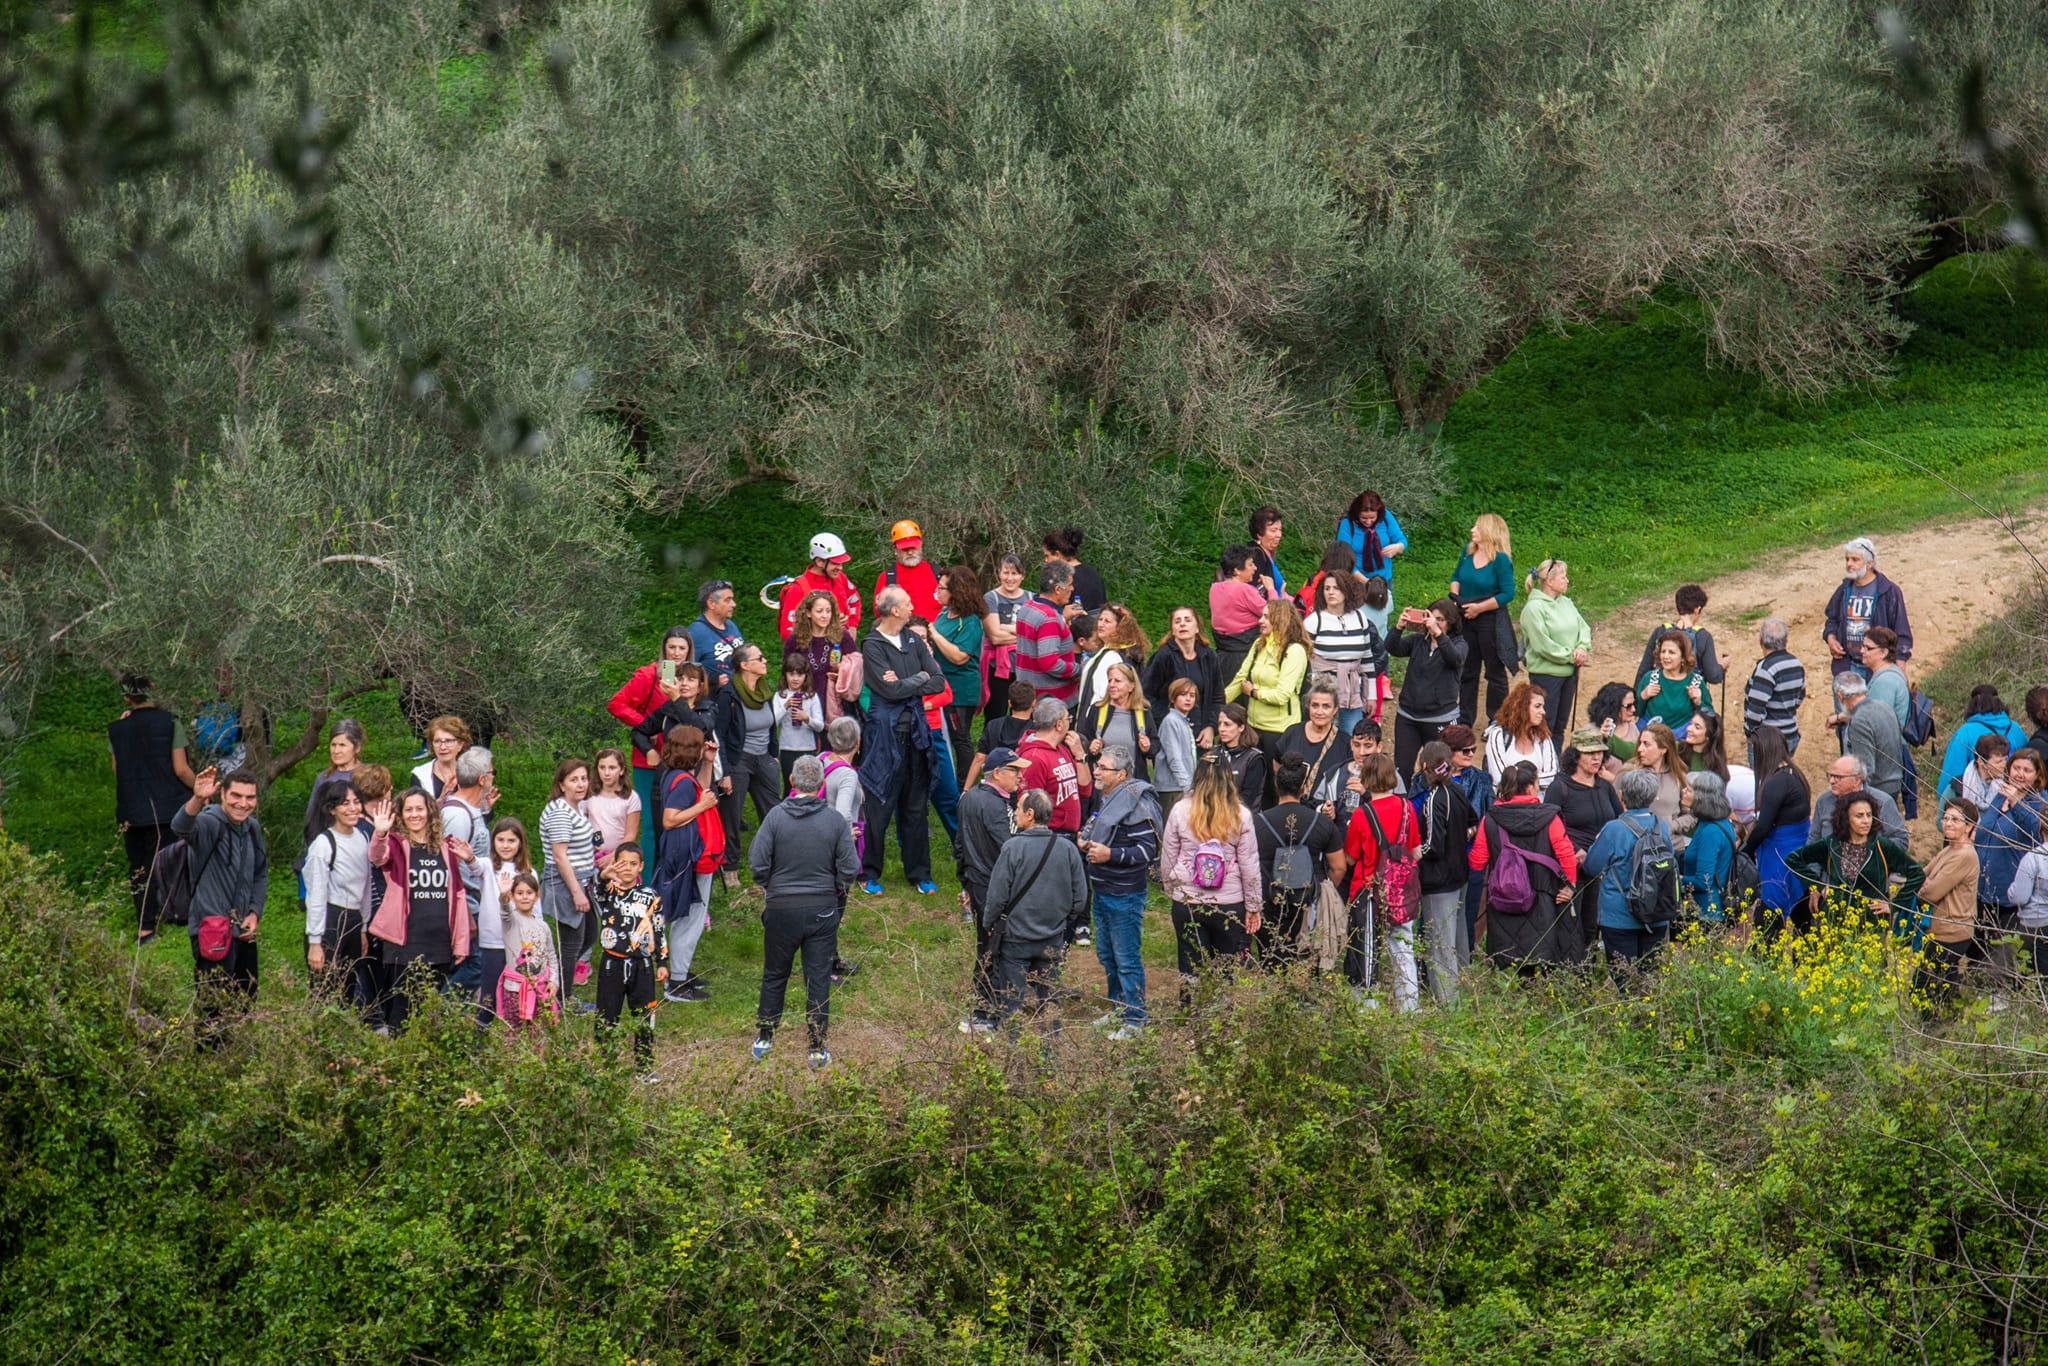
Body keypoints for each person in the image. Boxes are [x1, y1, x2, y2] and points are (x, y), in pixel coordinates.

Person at [749, 755, 860, 1068]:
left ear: (792, 782)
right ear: (823, 784)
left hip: (781, 907)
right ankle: (816, 1047)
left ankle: (764, 1037)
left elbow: (757, 862)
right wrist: (834, 887)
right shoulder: (836, 821)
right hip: (822, 908)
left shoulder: (775, 817)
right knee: (818, 977)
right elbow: (850, 867)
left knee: (774, 973)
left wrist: (772, 887)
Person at [857, 586, 950, 895]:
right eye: (908, 604)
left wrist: (913, 681)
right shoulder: (871, 645)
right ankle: (869, 873)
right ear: (894, 611)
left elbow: (937, 678)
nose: (912, 607)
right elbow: (889, 692)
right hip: (885, 736)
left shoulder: (912, 638)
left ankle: (919, 873)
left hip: (916, 733)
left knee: (915, 806)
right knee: (879, 805)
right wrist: (919, 680)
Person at [367, 786, 475, 1033]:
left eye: (420, 808)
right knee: (401, 1011)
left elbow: (458, 897)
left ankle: (422, 1066)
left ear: (430, 811)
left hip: (439, 944)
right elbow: (377, 857)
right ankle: (396, 1064)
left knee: (427, 1010)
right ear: (401, 815)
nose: (415, 814)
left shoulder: (446, 849)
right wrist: (380, 833)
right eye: (408, 810)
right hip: (404, 943)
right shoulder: (396, 845)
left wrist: (460, 942)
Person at [171, 767, 267, 1043]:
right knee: (211, 1006)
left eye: (250, 797)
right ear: (222, 794)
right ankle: (207, 1069)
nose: (243, 803)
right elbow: (181, 827)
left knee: (245, 1000)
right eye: (236, 795)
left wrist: (254, 911)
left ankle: (235, 1064)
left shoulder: (252, 829)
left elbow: (260, 872)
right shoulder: (210, 822)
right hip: (211, 929)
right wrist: (197, 799)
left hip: (243, 930)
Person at [981, 790, 1091, 1031]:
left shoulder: (1012, 848)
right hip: (1052, 938)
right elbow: (1080, 898)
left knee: (1011, 1003)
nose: (1015, 812)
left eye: (1019, 808)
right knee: (1050, 1003)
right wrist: (1061, 922)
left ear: (1030, 814)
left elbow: (997, 896)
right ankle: (1049, 1058)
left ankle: (1015, 1058)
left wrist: (989, 924)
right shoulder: (1068, 848)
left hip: (1015, 939)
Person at [1079, 744, 1160, 1037]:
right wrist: (1088, 842)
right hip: (1102, 891)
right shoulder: (1109, 798)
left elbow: (1146, 851)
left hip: (1124, 895)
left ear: (1122, 773)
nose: (1096, 771)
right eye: (1097, 765)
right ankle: (1118, 1010)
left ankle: (1135, 1020)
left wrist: (1110, 855)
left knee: (1126, 959)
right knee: (1108, 955)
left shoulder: (1136, 805)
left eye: (1103, 768)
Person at [1162, 756, 1263, 992]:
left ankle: (1191, 1017)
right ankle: (1221, 1021)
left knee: (1190, 966)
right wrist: (1253, 905)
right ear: (1229, 778)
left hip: (1188, 901)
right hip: (1229, 902)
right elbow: (1249, 865)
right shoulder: (1241, 814)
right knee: (1226, 968)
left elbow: (1168, 855)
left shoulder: (1180, 810)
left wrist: (1172, 889)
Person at [109, 673, 196, 941]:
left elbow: (117, 769)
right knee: (170, 862)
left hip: (131, 808)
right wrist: (202, 791)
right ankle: (179, 913)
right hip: (167, 805)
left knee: (139, 868)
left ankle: (145, 927)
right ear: (153, 690)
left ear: (127, 698)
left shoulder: (117, 729)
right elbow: (181, 768)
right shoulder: (170, 722)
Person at [1468, 760, 1579, 970]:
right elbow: (1565, 853)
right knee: (1541, 958)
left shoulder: (1490, 819)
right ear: (1530, 787)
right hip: (1544, 897)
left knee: (1507, 960)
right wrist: (1569, 885)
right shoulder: (1549, 818)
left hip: (1503, 898)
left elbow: (1477, 861)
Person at [606, 627, 694, 863]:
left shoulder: (691, 676)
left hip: (682, 760)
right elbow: (617, 703)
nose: (676, 653)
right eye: (672, 648)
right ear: (664, 649)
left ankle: (671, 874)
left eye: (681, 648)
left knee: (678, 820)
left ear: (689, 650)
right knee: (652, 824)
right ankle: (646, 879)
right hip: (650, 758)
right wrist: (646, 726)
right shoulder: (650, 674)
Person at [955, 746, 1027, 1033]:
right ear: (997, 773)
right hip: (994, 888)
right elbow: (1009, 849)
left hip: (976, 883)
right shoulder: (997, 806)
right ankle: (988, 1015)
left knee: (984, 948)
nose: (1020, 777)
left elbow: (959, 846)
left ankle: (981, 1011)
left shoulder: (968, 798)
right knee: (995, 951)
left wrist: (964, 883)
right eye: (1015, 771)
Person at [1344, 752, 1423, 1008]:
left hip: (1367, 889)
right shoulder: (1406, 807)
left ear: (1366, 779)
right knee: (1403, 949)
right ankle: (1409, 1007)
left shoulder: (1360, 814)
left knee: (1366, 950)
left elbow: (1350, 857)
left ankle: (1368, 1008)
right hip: (1400, 889)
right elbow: (1416, 852)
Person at [1255, 754, 1347, 969]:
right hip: (1309, 902)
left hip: (1270, 902)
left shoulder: (1258, 823)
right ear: (1304, 788)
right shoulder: (1322, 823)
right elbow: (1339, 867)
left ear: (1277, 784)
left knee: (1272, 964)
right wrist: (1326, 889)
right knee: (1308, 963)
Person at [1787, 791, 1924, 934]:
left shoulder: (1882, 846)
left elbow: (1916, 873)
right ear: (1846, 818)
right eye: (1859, 816)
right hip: (1836, 923)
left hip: (1870, 926)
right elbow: (1793, 859)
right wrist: (1819, 886)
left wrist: (1894, 905)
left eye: (1869, 815)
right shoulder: (1833, 844)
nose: (1866, 821)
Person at [1580, 769, 1673, 971]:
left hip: (1619, 917)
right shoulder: (1661, 826)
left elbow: (1591, 867)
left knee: (1625, 980)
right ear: (1652, 796)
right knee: (1650, 978)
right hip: (1656, 913)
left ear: (1621, 796)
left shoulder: (1614, 828)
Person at [711, 642, 786, 884]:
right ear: (744, 665)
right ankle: (729, 865)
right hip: (738, 759)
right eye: (760, 658)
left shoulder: (764, 691)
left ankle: (776, 861)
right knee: (732, 814)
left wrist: (773, 754)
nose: (765, 661)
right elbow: (719, 733)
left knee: (774, 811)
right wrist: (725, 771)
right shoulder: (729, 694)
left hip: (764, 758)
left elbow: (771, 724)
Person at [589, 845, 667, 1078]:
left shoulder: (650, 896)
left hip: (641, 965)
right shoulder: (609, 890)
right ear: (615, 864)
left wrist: (662, 962)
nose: (628, 869)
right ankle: (604, 1066)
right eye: (623, 863)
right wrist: (604, 876)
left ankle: (644, 1066)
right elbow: (597, 890)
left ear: (641, 866)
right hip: (612, 963)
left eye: (634, 864)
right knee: (607, 1014)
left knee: (645, 1015)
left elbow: (659, 928)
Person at [302, 778, 374, 1020]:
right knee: (325, 989)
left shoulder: (363, 839)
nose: (353, 808)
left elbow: (365, 887)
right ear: (332, 809)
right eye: (345, 803)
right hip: (330, 920)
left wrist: (363, 927)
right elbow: (316, 895)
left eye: (356, 802)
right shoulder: (323, 844)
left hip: (354, 919)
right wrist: (315, 941)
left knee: (348, 989)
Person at [1410, 742, 1477, 1001]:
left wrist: (1414, 853)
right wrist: (1459, 838)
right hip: (1460, 875)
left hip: (1439, 882)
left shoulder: (1433, 799)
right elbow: (1473, 822)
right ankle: (1467, 997)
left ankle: (1448, 1007)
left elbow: (1432, 846)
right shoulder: (1457, 790)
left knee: (1440, 946)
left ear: (1424, 766)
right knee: (1459, 944)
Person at [1975, 747, 2045, 982]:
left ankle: (2007, 998)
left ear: (2038, 775)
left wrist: (2016, 803)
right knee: (1984, 946)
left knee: (2006, 954)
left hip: (2011, 893)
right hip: (1985, 889)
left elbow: (2037, 833)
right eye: (2016, 768)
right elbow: (1985, 832)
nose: (2020, 774)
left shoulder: (2039, 803)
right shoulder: (2000, 794)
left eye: (2027, 770)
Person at [1545, 727, 1623, 941]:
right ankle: (1569, 972)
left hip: (1601, 869)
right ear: (1575, 755)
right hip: (1572, 870)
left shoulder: (1604, 787)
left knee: (1592, 925)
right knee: (1569, 926)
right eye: (1590, 753)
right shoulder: (1560, 787)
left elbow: (1620, 819)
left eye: (1599, 752)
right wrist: (1573, 851)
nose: (1596, 757)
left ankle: (1587, 972)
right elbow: (1550, 827)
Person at [538, 758, 600, 1006]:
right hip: (567, 884)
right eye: (573, 780)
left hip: (583, 880)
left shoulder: (575, 807)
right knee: (571, 943)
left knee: (588, 935)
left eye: (584, 778)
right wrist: (576, 892)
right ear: (561, 784)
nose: (580, 784)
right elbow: (559, 855)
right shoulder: (560, 812)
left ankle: (561, 991)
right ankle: (561, 998)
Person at [437, 745, 496, 999]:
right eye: (492, 773)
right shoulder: (456, 816)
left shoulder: (471, 811)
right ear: (482, 779)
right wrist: (465, 915)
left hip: (474, 903)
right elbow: (450, 867)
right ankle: (440, 1015)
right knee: (475, 966)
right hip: (465, 906)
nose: (494, 778)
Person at [1388, 598, 1467, 780]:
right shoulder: (1418, 641)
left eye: (1440, 619)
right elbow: (1392, 648)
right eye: (1432, 617)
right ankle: (1406, 806)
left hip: (1440, 718)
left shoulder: (1459, 644)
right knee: (1402, 770)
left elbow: (1454, 658)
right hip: (1408, 717)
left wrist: (1439, 635)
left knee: (1439, 770)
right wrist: (1399, 627)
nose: (1434, 622)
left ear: (1451, 623)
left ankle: (1435, 806)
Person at [1450, 513, 1517, 725]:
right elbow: (1455, 578)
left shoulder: (1501, 560)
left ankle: (1497, 719)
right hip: (1466, 615)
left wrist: (1479, 608)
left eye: (1477, 527)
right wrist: (1455, 599)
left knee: (1494, 672)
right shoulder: (1467, 552)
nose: (1472, 530)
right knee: (1467, 669)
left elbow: (1508, 593)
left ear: (1489, 531)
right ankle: (1465, 719)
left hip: (1490, 618)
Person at [1225, 598, 1310, 764]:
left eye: (1266, 617)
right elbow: (1240, 679)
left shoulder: (1294, 651)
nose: (1260, 621)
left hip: (1280, 731)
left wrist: (1253, 692)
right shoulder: (1259, 644)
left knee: (1274, 785)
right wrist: (1218, 706)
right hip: (1253, 727)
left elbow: (1282, 695)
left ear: (1279, 619)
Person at [1302, 569, 1384, 737]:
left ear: (1346, 590)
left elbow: (1367, 659)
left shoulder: (1360, 618)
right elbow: (1302, 659)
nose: (1331, 592)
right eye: (1327, 588)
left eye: (1336, 588)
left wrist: (1371, 696)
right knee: (1322, 737)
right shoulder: (1313, 621)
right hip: (1323, 691)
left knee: (1351, 737)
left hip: (1352, 690)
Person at [1743, 726, 1811, 927]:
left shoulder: (1777, 782)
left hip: (1780, 856)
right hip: (1795, 851)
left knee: (1769, 915)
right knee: (1802, 918)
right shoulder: (1794, 775)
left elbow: (1763, 827)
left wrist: (1745, 851)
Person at [1919, 798, 1982, 1004]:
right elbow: (1920, 876)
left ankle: (1935, 1030)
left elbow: (1930, 893)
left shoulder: (1964, 855)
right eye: (1946, 818)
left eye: (1955, 820)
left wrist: (1925, 884)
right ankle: (1950, 1026)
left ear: (1969, 826)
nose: (1948, 823)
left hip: (1951, 933)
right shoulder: (1949, 849)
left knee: (1923, 990)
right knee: (1944, 988)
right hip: (1941, 930)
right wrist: (1924, 882)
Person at [1822, 536, 1912, 680]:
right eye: (1847, 559)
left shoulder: (1888, 591)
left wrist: (1899, 667)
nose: (1849, 564)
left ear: (1869, 564)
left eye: (1855, 559)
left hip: (1877, 670)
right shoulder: (1844, 590)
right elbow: (1832, 620)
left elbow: (1902, 633)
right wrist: (1831, 638)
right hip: (1847, 667)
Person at [1519, 559, 1591, 734]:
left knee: (1560, 726)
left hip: (1569, 673)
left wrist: (1582, 647)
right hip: (1546, 676)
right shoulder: (1533, 608)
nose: (1567, 581)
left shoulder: (1566, 602)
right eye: (1563, 577)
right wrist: (1570, 656)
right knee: (1545, 725)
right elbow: (1541, 645)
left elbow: (1584, 627)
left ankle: (1556, 761)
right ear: (1549, 582)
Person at [475, 816, 534, 1026]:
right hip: (492, 943)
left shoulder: (528, 873)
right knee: (489, 996)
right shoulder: (488, 866)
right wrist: (466, 857)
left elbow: (536, 914)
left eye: (511, 840)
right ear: (493, 842)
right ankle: (479, 1038)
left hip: (519, 947)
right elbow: (473, 866)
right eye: (500, 840)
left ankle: (514, 1041)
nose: (506, 845)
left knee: (519, 995)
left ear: (520, 843)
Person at [929, 564, 986, 780]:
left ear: (956, 592)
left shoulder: (970, 622)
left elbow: (960, 656)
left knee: (960, 737)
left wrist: (934, 635)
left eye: (942, 588)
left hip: (961, 691)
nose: (938, 591)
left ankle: (964, 784)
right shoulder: (944, 614)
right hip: (941, 687)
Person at [1442, 724, 1495, 947]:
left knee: (1468, 916)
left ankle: (1465, 962)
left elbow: (1491, 815)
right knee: (1438, 918)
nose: (1471, 754)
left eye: (1473, 749)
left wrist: (1472, 831)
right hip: (1440, 859)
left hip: (1471, 857)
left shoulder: (1481, 779)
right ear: (1448, 751)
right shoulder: (1427, 778)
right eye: (1465, 750)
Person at [1142, 606, 1224, 745]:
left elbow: (1218, 697)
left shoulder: (1208, 656)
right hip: (1171, 733)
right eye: (1177, 621)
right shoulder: (1163, 657)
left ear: (1197, 628)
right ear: (1173, 630)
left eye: (1187, 620)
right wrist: (1168, 722)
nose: (1182, 624)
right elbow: (1146, 695)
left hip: (1201, 734)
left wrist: (1211, 727)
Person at [1937, 684, 2030, 806]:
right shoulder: (2015, 729)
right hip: (2012, 802)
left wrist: (1944, 803)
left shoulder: (1966, 732)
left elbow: (1951, 775)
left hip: (1974, 804)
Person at [496, 871, 559, 1048]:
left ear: (537, 896)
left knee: (537, 1032)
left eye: (529, 893)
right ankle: (510, 1069)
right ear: (513, 896)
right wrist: (503, 895)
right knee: (512, 1031)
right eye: (520, 893)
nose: (525, 897)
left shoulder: (543, 926)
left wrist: (553, 981)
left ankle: (536, 1070)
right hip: (514, 989)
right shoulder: (511, 921)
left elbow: (551, 956)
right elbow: (505, 911)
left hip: (539, 988)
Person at [783, 590, 861, 724]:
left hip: (835, 702)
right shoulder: (794, 640)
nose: (825, 616)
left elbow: (856, 669)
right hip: (805, 701)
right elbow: (786, 672)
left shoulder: (843, 637)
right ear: (808, 613)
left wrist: (841, 670)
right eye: (819, 611)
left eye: (828, 611)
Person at [1077, 663, 1158, 783]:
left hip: (1134, 783)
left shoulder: (1142, 712)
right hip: (1103, 785)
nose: (1112, 685)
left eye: (1117, 681)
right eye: (1110, 680)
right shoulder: (1097, 710)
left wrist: (1147, 747)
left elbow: (1155, 745)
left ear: (1131, 686)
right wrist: (1091, 747)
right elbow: (1083, 740)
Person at [1013, 562, 1081, 703]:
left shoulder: (1027, 606)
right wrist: (1077, 669)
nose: (1072, 589)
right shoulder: (1049, 617)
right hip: (1052, 701)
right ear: (1058, 589)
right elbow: (1049, 663)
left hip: (1029, 696)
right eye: (1069, 585)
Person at [1633, 585, 1726, 687]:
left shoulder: (1660, 631)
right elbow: (1713, 676)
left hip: (1660, 694)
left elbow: (1644, 669)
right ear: (1697, 610)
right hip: (1690, 697)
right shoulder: (1703, 637)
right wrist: (1722, 666)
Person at [979, 554, 1033, 727]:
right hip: (997, 668)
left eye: (1015, 573)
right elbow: (994, 636)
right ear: (999, 573)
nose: (1010, 578)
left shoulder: (1031, 599)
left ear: (1022, 575)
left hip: (1024, 668)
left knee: (1023, 715)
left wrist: (1006, 628)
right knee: (996, 716)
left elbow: (1036, 634)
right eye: (1006, 573)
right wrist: (1023, 634)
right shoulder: (990, 598)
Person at [776, 532, 862, 640]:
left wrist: (852, 625)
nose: (840, 568)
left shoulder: (840, 578)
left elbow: (854, 600)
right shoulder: (798, 589)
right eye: (835, 563)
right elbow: (789, 632)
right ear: (820, 562)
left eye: (841, 563)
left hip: (841, 649)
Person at [1742, 616, 1806, 758]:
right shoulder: (1796, 663)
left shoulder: (1766, 669)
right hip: (1790, 735)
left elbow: (1755, 709)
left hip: (1768, 740)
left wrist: (1750, 733)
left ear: (1761, 641)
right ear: (1786, 641)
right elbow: (1799, 697)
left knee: (1764, 780)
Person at [1276, 679, 1348, 804]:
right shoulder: (1292, 732)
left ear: (1335, 709)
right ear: (1308, 706)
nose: (1319, 712)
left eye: (1326, 706)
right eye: (1315, 705)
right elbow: (1277, 766)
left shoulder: (1344, 743)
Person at [1833, 673, 1903, 801]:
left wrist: (1859, 802)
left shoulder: (1860, 720)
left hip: (1876, 791)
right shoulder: (1884, 707)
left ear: (1840, 696)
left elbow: (1865, 769)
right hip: (1894, 782)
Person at [1807, 754, 1906, 845]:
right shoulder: (1824, 802)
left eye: (1838, 777)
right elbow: (1813, 841)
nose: (1832, 781)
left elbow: (1900, 840)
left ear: (1857, 780)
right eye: (1830, 776)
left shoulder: (1882, 802)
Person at [1209, 544, 1270, 684]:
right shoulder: (1245, 590)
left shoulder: (1214, 588)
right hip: (1245, 657)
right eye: (1250, 564)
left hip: (1222, 657)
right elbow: (1275, 615)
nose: (1255, 568)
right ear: (1237, 570)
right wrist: (1271, 589)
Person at [1681, 771, 1737, 923]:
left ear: (1702, 797)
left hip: (1706, 912)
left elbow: (1703, 881)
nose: (1683, 792)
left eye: (1689, 790)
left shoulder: (1710, 832)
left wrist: (1676, 879)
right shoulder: (1717, 822)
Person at [1484, 681, 1558, 790]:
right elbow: (1499, 778)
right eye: (1537, 706)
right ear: (1522, 707)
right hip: (1506, 803)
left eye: (1543, 707)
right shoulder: (1499, 735)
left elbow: (1552, 776)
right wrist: (1533, 781)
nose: (1543, 712)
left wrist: (1516, 778)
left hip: (1538, 803)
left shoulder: (1543, 737)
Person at [1635, 630, 1713, 733]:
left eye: (1671, 652)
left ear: (1683, 657)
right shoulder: (1650, 678)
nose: (1666, 656)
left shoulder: (1695, 682)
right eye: (1663, 651)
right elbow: (1635, 712)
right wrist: (1643, 696)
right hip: (1650, 734)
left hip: (1682, 737)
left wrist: (1698, 702)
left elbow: (1710, 717)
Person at [2004, 820, 2048, 984]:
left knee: (2023, 974)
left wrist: (2010, 890)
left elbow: (2019, 896)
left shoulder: (2034, 858)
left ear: (2039, 826)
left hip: (2033, 926)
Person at [771, 659, 826, 788]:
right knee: (790, 785)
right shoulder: (780, 696)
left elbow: (820, 726)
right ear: (785, 675)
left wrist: (807, 718)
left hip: (808, 749)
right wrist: (785, 706)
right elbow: (773, 722)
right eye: (791, 674)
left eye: (799, 675)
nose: (795, 679)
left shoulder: (811, 696)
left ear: (805, 676)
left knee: (809, 785)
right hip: (787, 749)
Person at [1625, 722, 1690, 830]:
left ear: (1663, 749)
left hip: (1672, 844)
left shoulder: (1679, 775)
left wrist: (1673, 826)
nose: (1640, 749)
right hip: (1639, 843)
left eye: (1646, 744)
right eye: (1640, 743)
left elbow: (1690, 813)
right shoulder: (1629, 772)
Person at [874, 520, 941, 623]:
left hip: (938, 634)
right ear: (896, 550)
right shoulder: (887, 578)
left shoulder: (937, 572)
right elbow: (880, 613)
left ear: (920, 546)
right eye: (905, 549)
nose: (910, 552)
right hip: (904, 635)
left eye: (913, 547)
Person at [1336, 488, 1406, 583]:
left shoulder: (1386, 517)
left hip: (1383, 579)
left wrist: (1398, 547)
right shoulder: (1347, 524)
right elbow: (1343, 558)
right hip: (1354, 579)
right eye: (1364, 518)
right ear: (1357, 514)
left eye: (1372, 517)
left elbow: (1402, 540)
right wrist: (1365, 582)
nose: (1368, 522)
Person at [688, 579, 746, 691]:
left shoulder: (731, 626)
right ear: (711, 603)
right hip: (712, 701)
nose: (734, 604)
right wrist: (712, 681)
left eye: (732, 599)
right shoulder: (696, 632)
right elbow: (678, 668)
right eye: (727, 600)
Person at [1155, 679, 1199, 814]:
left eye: (1192, 695)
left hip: (1183, 786)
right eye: (1183, 694)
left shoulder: (1183, 722)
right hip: (1172, 788)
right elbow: (1174, 758)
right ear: (1173, 697)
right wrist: (1187, 787)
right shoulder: (1171, 721)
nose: (1188, 699)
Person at [1215, 704, 1267, 816]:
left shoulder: (1254, 758)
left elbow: (1247, 797)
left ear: (1241, 727)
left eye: (1227, 724)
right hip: (1214, 818)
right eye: (1219, 724)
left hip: (1243, 820)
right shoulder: (1214, 754)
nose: (1221, 729)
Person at [1042, 527, 1107, 613]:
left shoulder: (1064, 578)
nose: (1045, 560)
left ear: (1057, 555)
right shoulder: (1093, 573)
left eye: (1047, 556)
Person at [410, 714, 471, 799]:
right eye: (437, 741)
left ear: (460, 744)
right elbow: (417, 810)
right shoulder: (420, 775)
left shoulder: (472, 773)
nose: (443, 747)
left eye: (448, 741)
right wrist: (441, 800)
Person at [1586, 682, 1642, 765]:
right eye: (1628, 706)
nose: (1633, 709)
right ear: (1613, 707)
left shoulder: (1633, 728)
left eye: (1634, 704)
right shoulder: (1589, 731)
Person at [1957, 734, 2011, 813]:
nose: (2004, 765)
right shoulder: (1958, 785)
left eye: (2005, 760)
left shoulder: (2008, 787)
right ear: (1980, 761)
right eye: (1998, 762)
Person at [1246, 506, 1287, 600]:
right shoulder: (1256, 556)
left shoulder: (1267, 554)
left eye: (1280, 530)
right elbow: (1255, 594)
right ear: (1259, 534)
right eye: (1273, 530)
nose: (1279, 535)